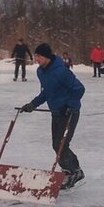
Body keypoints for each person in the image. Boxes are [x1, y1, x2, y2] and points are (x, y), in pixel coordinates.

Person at [20, 42, 86, 189]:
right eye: (35, 55)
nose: (36, 59)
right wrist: (33, 104)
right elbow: (46, 93)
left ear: (47, 57)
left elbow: (79, 89)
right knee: (57, 144)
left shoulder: (61, 71)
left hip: (70, 112)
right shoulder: (41, 72)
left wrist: (70, 106)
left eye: (39, 56)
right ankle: (71, 171)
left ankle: (74, 172)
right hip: (56, 112)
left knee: (60, 144)